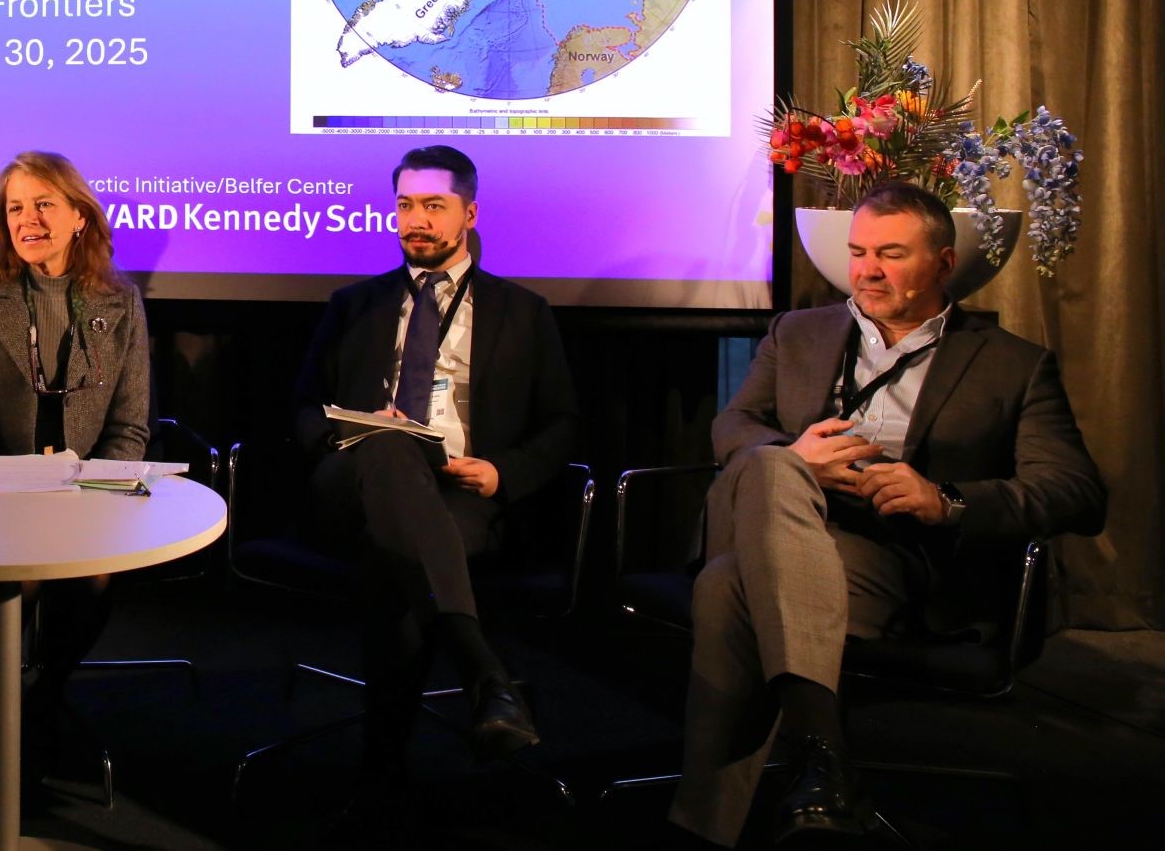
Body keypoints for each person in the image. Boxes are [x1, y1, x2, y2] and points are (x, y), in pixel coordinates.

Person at [670, 181, 1107, 846]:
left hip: (896, 560)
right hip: (784, 517)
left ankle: (706, 826)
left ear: (943, 261)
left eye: (891, 253)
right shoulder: (799, 331)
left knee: (725, 586)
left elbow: (1077, 490)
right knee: (769, 464)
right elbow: (735, 422)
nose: (867, 270)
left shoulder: (1013, 365)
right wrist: (796, 457)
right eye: (858, 251)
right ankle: (824, 758)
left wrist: (946, 499)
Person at [294, 144, 577, 782]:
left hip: (462, 490)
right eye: (404, 206)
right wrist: (345, 438)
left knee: (397, 562)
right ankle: (484, 672)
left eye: (433, 206)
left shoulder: (522, 312)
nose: (414, 220)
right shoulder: (353, 305)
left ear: (469, 213)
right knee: (390, 444)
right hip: (353, 481)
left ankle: (382, 776)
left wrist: (504, 471)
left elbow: (562, 423)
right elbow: (303, 408)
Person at [0, 150, 151, 788]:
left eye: (43, 205)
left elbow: (131, 426)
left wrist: (90, 490)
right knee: (18, 580)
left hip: (85, 495)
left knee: (93, 578)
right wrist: (3, 485)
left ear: (79, 216)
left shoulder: (121, 300)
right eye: (15, 208)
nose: (28, 220)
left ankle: (48, 695)